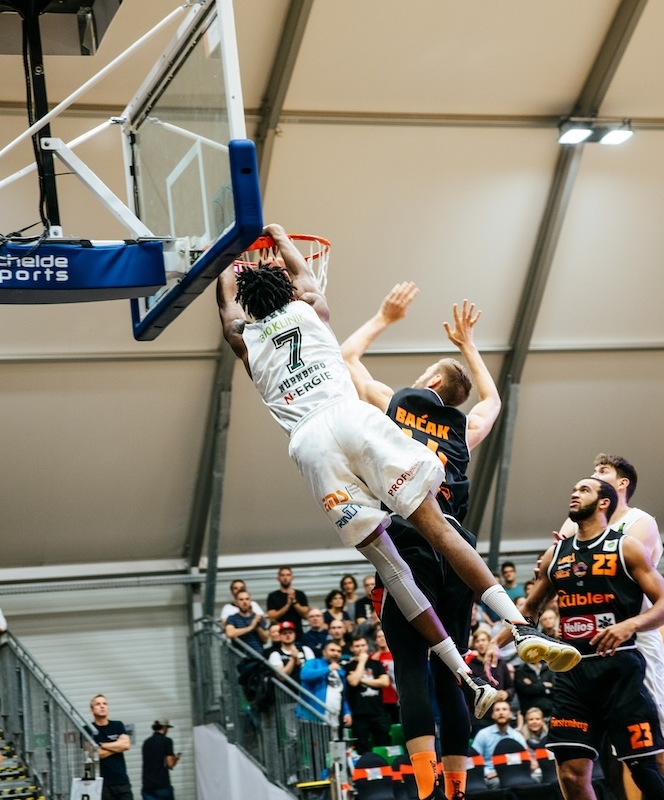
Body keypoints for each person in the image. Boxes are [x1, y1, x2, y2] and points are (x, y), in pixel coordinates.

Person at [217, 229, 574, 723]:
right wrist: (276, 235)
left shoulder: (246, 341)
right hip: (352, 419)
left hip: (311, 446)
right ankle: (519, 625)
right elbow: (302, 275)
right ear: (289, 292)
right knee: (441, 530)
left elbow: (229, 308)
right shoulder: (311, 310)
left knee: (392, 569)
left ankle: (466, 677)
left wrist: (223, 259)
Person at [339, 281, 514, 799]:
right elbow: (494, 401)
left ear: (432, 380)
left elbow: (348, 358)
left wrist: (383, 317)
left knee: (412, 665)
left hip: (410, 546)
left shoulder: (397, 404)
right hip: (459, 553)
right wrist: (470, 347)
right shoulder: (463, 429)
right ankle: (457, 790)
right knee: (451, 672)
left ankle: (424, 790)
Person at [516, 477, 664, 800]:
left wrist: (629, 625)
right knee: (571, 774)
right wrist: (496, 644)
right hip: (572, 673)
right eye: (573, 488)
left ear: (604, 502)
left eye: (584, 490)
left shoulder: (626, 545)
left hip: (619, 670)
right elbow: (530, 611)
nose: (574, 493)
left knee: (647, 771)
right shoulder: (555, 554)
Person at [553, 453, 664, 800]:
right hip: (586, 649)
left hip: (637, 636)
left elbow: (618, 581)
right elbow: (559, 568)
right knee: (588, 766)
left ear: (619, 486)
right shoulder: (577, 523)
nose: (592, 475)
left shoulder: (639, 522)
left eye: (601, 472)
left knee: (658, 756)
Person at [344, 637, 392, 753]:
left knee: (384, 743)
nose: (360, 648)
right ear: (351, 648)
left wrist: (362, 680)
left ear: (366, 646)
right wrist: (361, 662)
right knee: (361, 746)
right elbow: (353, 682)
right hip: (359, 713)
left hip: (378, 712)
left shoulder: (376, 664)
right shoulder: (348, 666)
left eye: (362, 645)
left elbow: (385, 682)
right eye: (357, 646)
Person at [471, 701, 534, 789]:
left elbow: (527, 758)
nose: (501, 712)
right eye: (497, 710)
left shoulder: (517, 736)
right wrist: (487, 772)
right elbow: (474, 759)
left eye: (504, 709)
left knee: (536, 777)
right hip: (491, 775)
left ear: (510, 714)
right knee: (496, 782)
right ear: (493, 715)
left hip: (515, 773)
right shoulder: (483, 735)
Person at [298, 640, 351, 735]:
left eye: (338, 651)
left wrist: (347, 712)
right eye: (332, 650)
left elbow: (343, 695)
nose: (335, 653)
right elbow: (304, 675)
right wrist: (328, 668)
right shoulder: (314, 662)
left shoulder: (340, 671)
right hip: (314, 718)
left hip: (335, 719)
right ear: (324, 652)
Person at [90, 694, 133, 800]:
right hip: (102, 784)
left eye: (105, 703)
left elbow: (126, 745)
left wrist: (101, 745)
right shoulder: (88, 729)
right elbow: (95, 754)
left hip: (121, 781)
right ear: (92, 710)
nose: (102, 706)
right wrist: (117, 746)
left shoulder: (118, 725)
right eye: (98, 704)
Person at [266, 567, 310, 640]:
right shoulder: (273, 596)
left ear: (292, 578)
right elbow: (272, 617)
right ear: (278, 578)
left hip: (298, 634)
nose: (285, 578)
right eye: (282, 575)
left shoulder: (300, 594)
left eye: (288, 575)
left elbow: (305, 614)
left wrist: (295, 602)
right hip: (279, 635)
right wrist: (287, 605)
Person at [141, 720, 179, 800]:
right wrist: (175, 759)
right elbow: (170, 764)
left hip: (147, 785)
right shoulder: (167, 741)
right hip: (162, 785)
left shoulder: (146, 742)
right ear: (164, 727)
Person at [225, 589, 270, 654]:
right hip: (241, 657)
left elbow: (265, 640)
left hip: (259, 656)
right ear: (236, 602)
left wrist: (258, 627)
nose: (245, 602)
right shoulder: (232, 618)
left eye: (247, 599)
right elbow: (230, 633)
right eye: (241, 599)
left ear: (250, 601)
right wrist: (251, 627)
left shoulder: (257, 618)